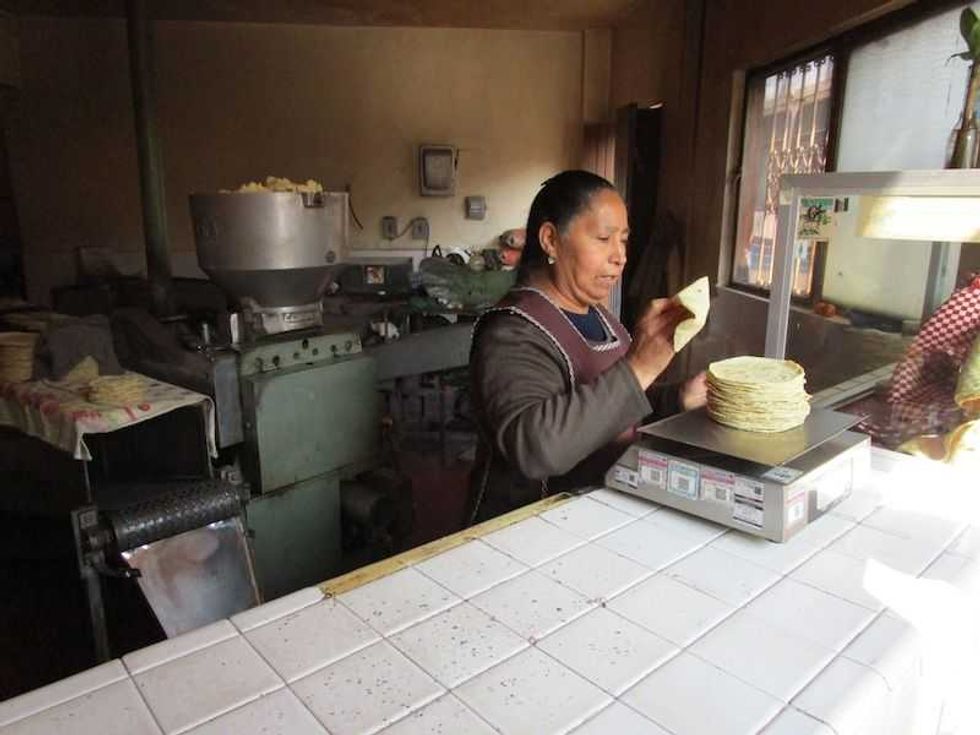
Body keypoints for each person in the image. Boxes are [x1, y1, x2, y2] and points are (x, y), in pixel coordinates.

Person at [467, 170, 707, 523]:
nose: (620, 256)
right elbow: (538, 449)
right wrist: (639, 367)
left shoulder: (601, 318)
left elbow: (613, 411)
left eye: (623, 240)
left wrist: (678, 399)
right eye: (603, 238)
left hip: (596, 515)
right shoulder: (512, 331)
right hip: (527, 530)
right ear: (550, 239)